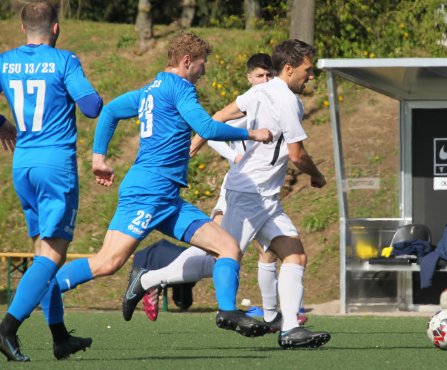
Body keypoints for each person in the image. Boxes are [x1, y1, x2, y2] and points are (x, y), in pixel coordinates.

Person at [50, 32, 273, 338]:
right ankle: (44, 289)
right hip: (148, 192)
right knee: (107, 262)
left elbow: (112, 110)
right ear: (186, 62)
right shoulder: (181, 88)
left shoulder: (150, 89)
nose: (204, 71)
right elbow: (206, 127)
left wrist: (99, 158)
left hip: (167, 197)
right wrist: (253, 134)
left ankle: (227, 312)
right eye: (201, 64)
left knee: (228, 248)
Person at [137, 53, 307, 327]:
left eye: (268, 76)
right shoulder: (251, 101)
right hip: (241, 188)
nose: (264, 80)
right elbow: (214, 127)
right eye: (259, 76)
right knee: (220, 255)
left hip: (262, 191)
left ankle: (278, 318)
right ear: (249, 78)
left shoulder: (274, 101)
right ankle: (149, 278)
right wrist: (229, 154)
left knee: (278, 252)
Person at [0, 1, 103, 362]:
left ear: (22, 27)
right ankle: (7, 329)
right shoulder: (64, 61)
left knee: (42, 254)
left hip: (22, 165)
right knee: (53, 256)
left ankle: (59, 336)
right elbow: (91, 106)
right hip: (55, 165)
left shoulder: (5, 60)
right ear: (55, 28)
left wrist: (2, 125)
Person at [211, 39, 330, 348]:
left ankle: (289, 329)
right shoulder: (288, 100)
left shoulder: (260, 91)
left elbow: (218, 117)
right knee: (217, 256)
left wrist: (195, 143)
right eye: (308, 70)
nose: (311, 76)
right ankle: (149, 279)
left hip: (266, 198)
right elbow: (297, 155)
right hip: (248, 194)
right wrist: (317, 176)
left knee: (295, 253)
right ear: (289, 69)